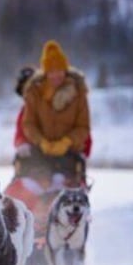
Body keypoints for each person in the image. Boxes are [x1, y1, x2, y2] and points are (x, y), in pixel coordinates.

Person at [15, 40, 91, 187]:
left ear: (65, 70)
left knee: (66, 183)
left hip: (69, 153)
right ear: (46, 72)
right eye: (51, 71)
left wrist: (67, 142)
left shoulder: (79, 93)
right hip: (40, 152)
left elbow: (83, 127)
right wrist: (41, 141)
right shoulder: (34, 92)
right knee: (33, 183)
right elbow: (28, 124)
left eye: (59, 70)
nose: (56, 75)